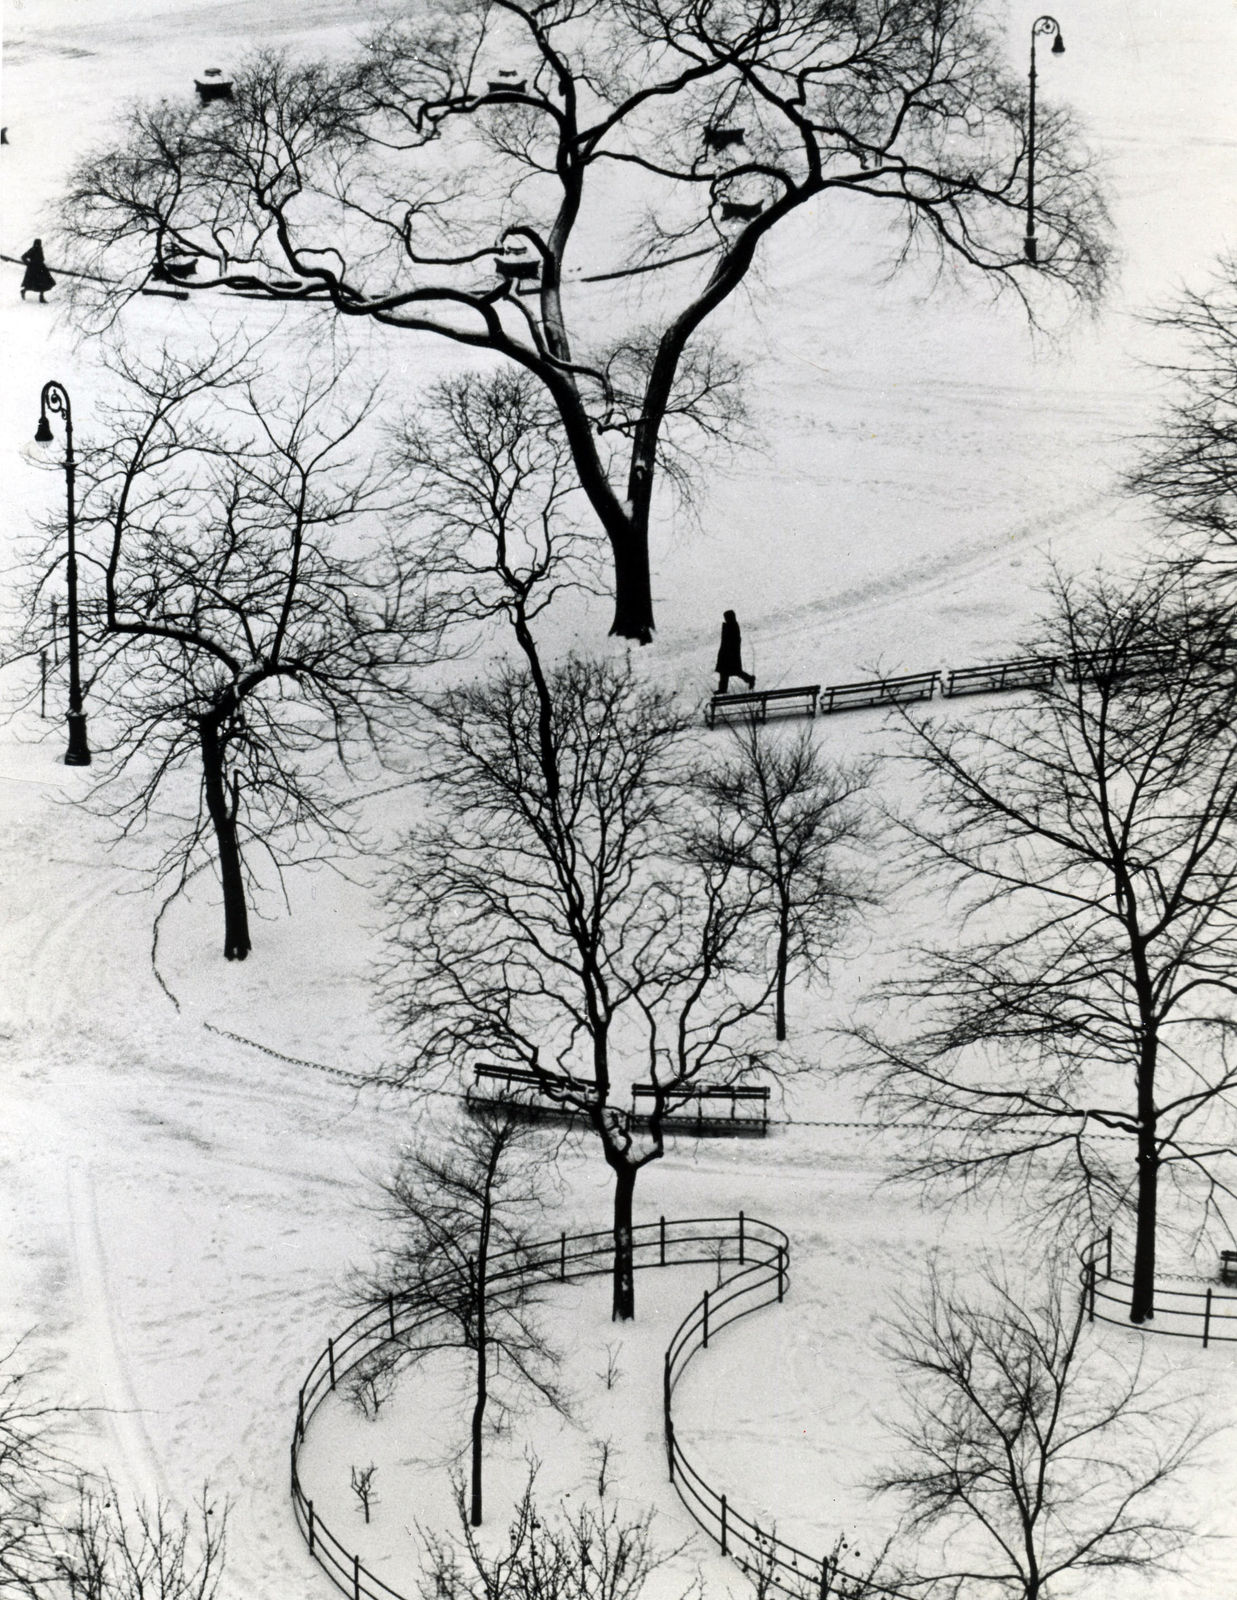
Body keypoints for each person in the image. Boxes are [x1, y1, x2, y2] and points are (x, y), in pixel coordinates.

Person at [715, 609, 755, 694]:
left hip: (729, 654)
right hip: (728, 653)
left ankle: (723, 689)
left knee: (729, 671)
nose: (725, 619)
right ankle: (723, 689)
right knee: (728, 672)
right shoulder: (731, 626)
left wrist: (727, 652)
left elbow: (731, 641)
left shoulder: (732, 627)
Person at [20, 239, 55, 303]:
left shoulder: (40, 249)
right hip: (33, 270)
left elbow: (42, 258)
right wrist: (29, 264)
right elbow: (23, 257)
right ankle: (24, 291)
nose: (38, 245)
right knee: (32, 284)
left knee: (44, 283)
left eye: (39, 243)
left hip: (41, 269)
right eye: (38, 243)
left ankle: (41, 298)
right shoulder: (32, 250)